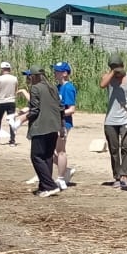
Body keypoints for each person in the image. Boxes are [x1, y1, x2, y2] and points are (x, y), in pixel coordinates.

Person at [99, 53, 127, 191]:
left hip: (126, 119)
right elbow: (102, 85)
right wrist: (113, 73)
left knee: (125, 146)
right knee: (114, 149)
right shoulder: (108, 78)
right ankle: (117, 176)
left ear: (123, 66)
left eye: (119, 69)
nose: (118, 72)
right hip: (110, 120)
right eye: (114, 69)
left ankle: (125, 176)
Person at [23, 65, 63, 197]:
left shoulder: (35, 88)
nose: (28, 79)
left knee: (36, 156)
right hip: (53, 127)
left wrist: (22, 119)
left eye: (29, 76)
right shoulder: (53, 88)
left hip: (40, 127)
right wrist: (61, 126)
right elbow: (61, 108)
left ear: (34, 76)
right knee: (47, 157)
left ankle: (50, 185)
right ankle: (44, 186)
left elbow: (35, 110)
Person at [53, 61, 77, 190]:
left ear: (65, 73)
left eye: (57, 71)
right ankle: (65, 170)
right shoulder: (57, 87)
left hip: (64, 122)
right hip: (55, 122)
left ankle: (61, 178)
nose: (55, 73)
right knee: (49, 151)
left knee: (60, 150)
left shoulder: (68, 88)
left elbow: (71, 109)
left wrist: (58, 114)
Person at [0, 62, 19, 146]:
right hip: (11, 101)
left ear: (2, 69)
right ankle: (12, 140)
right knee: (11, 121)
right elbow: (16, 90)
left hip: (1, 101)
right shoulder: (14, 78)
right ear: (9, 69)